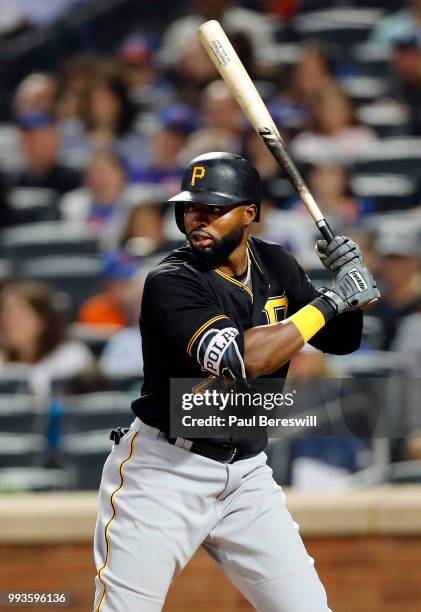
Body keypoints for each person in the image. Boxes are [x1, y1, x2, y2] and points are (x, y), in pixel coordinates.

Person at [93, 152, 379, 611]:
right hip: (164, 471)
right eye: (191, 208)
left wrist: (348, 289)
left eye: (213, 209)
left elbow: (341, 341)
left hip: (246, 472)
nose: (197, 220)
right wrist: (331, 301)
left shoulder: (276, 263)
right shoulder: (171, 280)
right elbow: (241, 360)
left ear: (249, 213)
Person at [0, 281, 93, 401]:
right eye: (4, 315)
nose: (8, 323)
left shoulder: (72, 356)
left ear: (43, 320)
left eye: (16, 317)